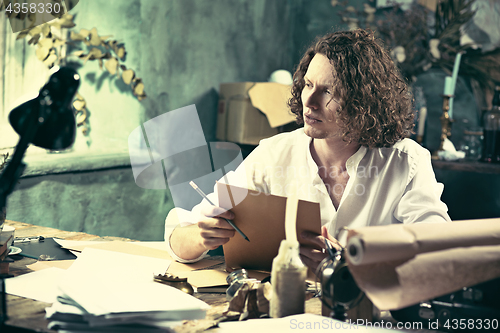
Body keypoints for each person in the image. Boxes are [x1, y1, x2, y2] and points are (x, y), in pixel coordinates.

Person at [164, 29, 450, 272]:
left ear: (364, 101)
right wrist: (203, 237)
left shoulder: (405, 161)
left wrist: (349, 261)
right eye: (308, 84)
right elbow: (179, 239)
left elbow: (439, 252)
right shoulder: (273, 154)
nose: (309, 101)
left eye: (329, 91)